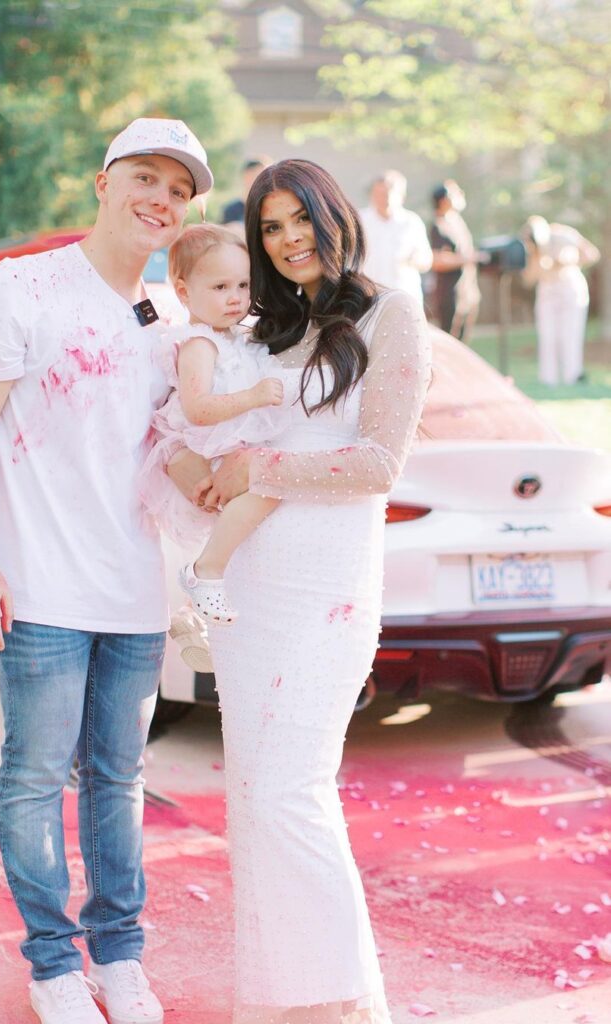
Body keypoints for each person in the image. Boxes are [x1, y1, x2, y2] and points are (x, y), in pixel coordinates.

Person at [0, 117, 214, 1024]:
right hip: (41, 588)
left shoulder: (172, 318)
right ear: (102, 183)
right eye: (146, 177)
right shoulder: (21, 287)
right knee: (34, 775)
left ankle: (120, 955)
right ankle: (54, 964)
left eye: (179, 191)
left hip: (134, 592)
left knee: (119, 780)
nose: (161, 201)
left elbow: (168, 448)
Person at [170, 159, 431, 1022]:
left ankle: (345, 1006)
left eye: (299, 221)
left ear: (335, 216)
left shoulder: (391, 313)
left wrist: (259, 465)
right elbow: (221, 425)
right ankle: (278, 1002)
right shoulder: (264, 330)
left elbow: (378, 464)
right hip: (251, 589)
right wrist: (210, 469)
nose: (287, 242)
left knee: (291, 792)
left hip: (326, 590)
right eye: (269, 229)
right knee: (252, 795)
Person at [140, 224, 290, 629]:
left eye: (243, 285)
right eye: (221, 287)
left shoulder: (235, 337)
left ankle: (198, 613)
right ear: (185, 292)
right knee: (267, 488)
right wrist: (254, 397)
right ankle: (205, 572)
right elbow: (198, 408)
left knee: (255, 507)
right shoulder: (198, 344)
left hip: (229, 441)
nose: (236, 298)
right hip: (208, 441)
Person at [522, 215, 600, 386]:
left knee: (571, 333)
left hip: (569, 288)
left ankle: (573, 375)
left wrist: (569, 262)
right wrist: (537, 261)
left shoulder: (564, 234)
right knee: (547, 334)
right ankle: (548, 378)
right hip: (547, 290)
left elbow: (592, 254)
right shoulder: (530, 246)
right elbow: (527, 279)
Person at [359, 169, 432, 305]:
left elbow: (426, 260)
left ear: (401, 195)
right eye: (378, 193)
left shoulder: (412, 222)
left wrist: (416, 259)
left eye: (387, 193)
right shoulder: (360, 220)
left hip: (404, 297)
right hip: (368, 299)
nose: (382, 198)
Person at [428, 180, 486, 340]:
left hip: (468, 291)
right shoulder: (438, 225)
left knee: (464, 344)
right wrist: (470, 258)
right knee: (451, 344)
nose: (461, 194)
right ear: (443, 200)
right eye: (456, 192)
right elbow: (437, 260)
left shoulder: (457, 221)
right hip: (450, 295)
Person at [221, 157, 273, 235]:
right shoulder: (231, 210)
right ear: (246, 176)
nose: (264, 181)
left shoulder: (271, 207)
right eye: (259, 175)